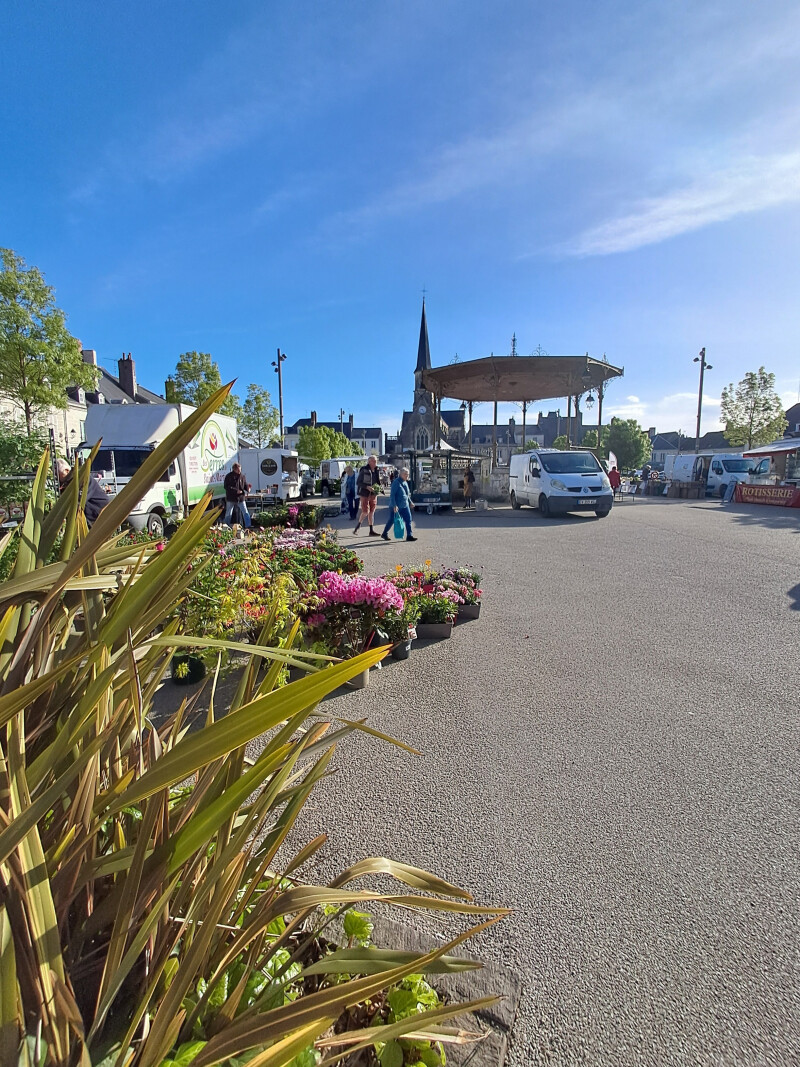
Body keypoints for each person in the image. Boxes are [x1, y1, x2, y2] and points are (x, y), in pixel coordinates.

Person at [55, 458, 110, 527]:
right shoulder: (65, 483)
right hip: (88, 517)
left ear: (66, 471)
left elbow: (80, 499)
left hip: (99, 513)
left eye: (57, 474)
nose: (56, 477)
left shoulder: (82, 478)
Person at [381, 466, 416, 542]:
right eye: (406, 474)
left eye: (408, 474)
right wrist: (394, 505)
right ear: (401, 474)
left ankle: (409, 535)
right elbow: (392, 495)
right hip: (396, 506)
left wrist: (410, 502)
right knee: (392, 520)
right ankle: (384, 533)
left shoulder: (405, 482)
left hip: (405, 505)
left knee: (408, 520)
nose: (407, 476)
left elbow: (406, 495)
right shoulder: (396, 483)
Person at [354, 455, 381, 536]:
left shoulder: (377, 470)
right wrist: (367, 487)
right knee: (365, 512)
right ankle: (358, 526)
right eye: (374, 461)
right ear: (369, 462)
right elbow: (358, 482)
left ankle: (371, 530)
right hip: (365, 494)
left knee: (372, 512)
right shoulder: (364, 470)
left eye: (376, 461)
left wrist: (380, 488)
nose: (376, 463)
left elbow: (378, 482)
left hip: (373, 494)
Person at [223, 462, 252, 527]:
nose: (239, 471)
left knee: (245, 512)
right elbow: (226, 486)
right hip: (231, 498)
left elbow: (245, 484)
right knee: (228, 513)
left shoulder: (242, 476)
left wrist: (248, 488)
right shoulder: (229, 476)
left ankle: (248, 526)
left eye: (240, 470)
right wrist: (236, 491)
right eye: (238, 470)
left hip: (241, 498)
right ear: (234, 469)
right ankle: (226, 526)